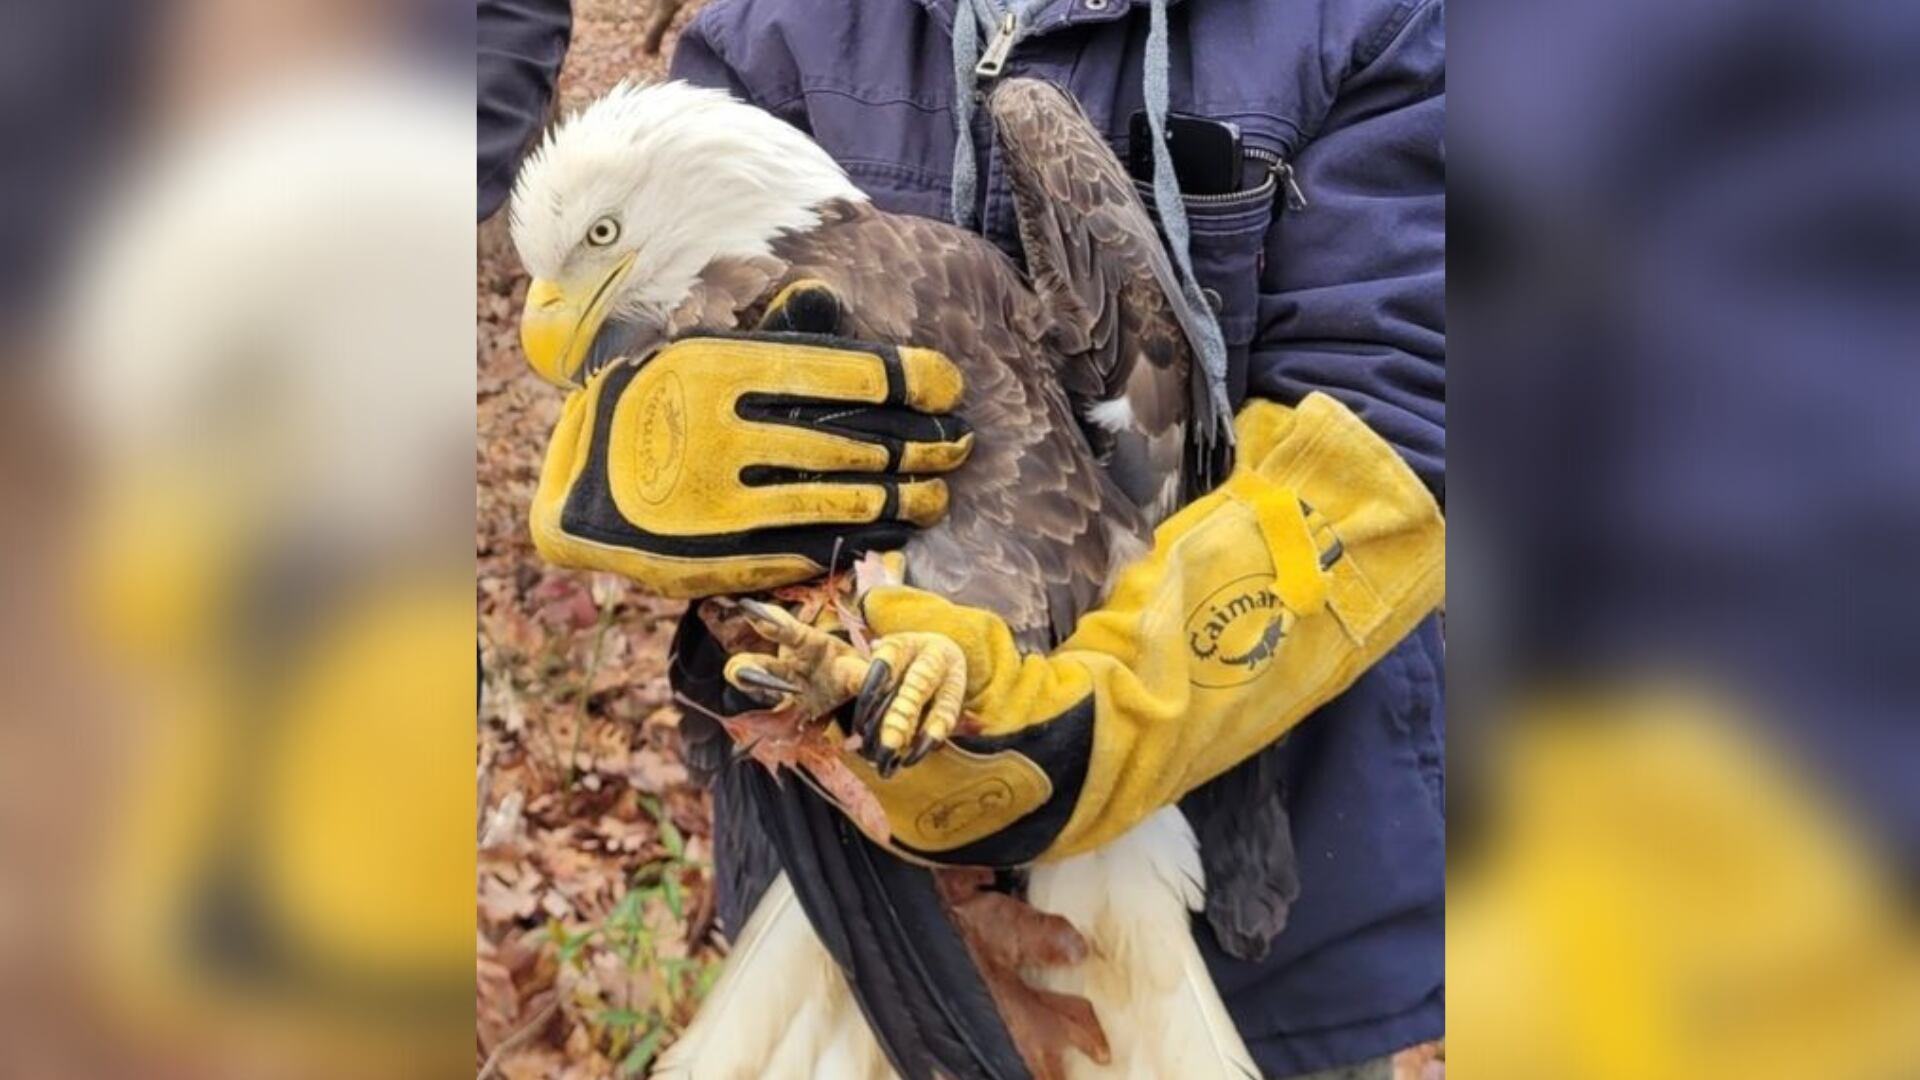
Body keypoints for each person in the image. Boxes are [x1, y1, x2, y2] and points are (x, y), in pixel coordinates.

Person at [479, 1, 1444, 1075]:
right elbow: (721, 570)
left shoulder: (1360, 21)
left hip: (1242, 882)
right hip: (851, 887)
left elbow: (1403, 423)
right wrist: (922, 900)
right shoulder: (773, 38)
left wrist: (1085, 739)